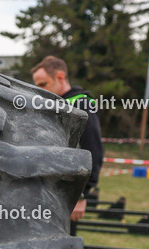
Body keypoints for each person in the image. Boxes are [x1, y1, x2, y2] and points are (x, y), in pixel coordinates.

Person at [30, 56, 103, 220]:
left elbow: (93, 150)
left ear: (60, 77)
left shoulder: (81, 104)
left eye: (43, 84)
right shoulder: (53, 104)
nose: (40, 90)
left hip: (68, 191)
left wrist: (81, 194)